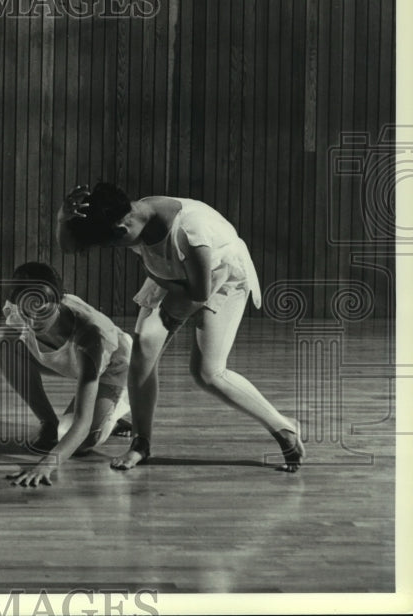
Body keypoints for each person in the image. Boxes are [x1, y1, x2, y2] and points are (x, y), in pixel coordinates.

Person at [56, 183, 305, 472]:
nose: (115, 249)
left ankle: (285, 428)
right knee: (143, 351)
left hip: (219, 277)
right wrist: (64, 218)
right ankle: (141, 444)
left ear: (123, 230)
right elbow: (70, 246)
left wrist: (152, 273)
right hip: (171, 274)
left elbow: (199, 292)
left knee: (208, 372)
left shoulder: (190, 231)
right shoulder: (126, 213)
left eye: (112, 244)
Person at [0, 262, 132, 486]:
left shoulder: (93, 335)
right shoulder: (18, 307)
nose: (34, 320)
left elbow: (81, 422)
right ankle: (47, 422)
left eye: (43, 311)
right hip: (68, 360)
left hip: (113, 366)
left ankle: (113, 415)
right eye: (27, 310)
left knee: (80, 441)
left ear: (58, 301)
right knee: (2, 341)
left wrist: (46, 464)